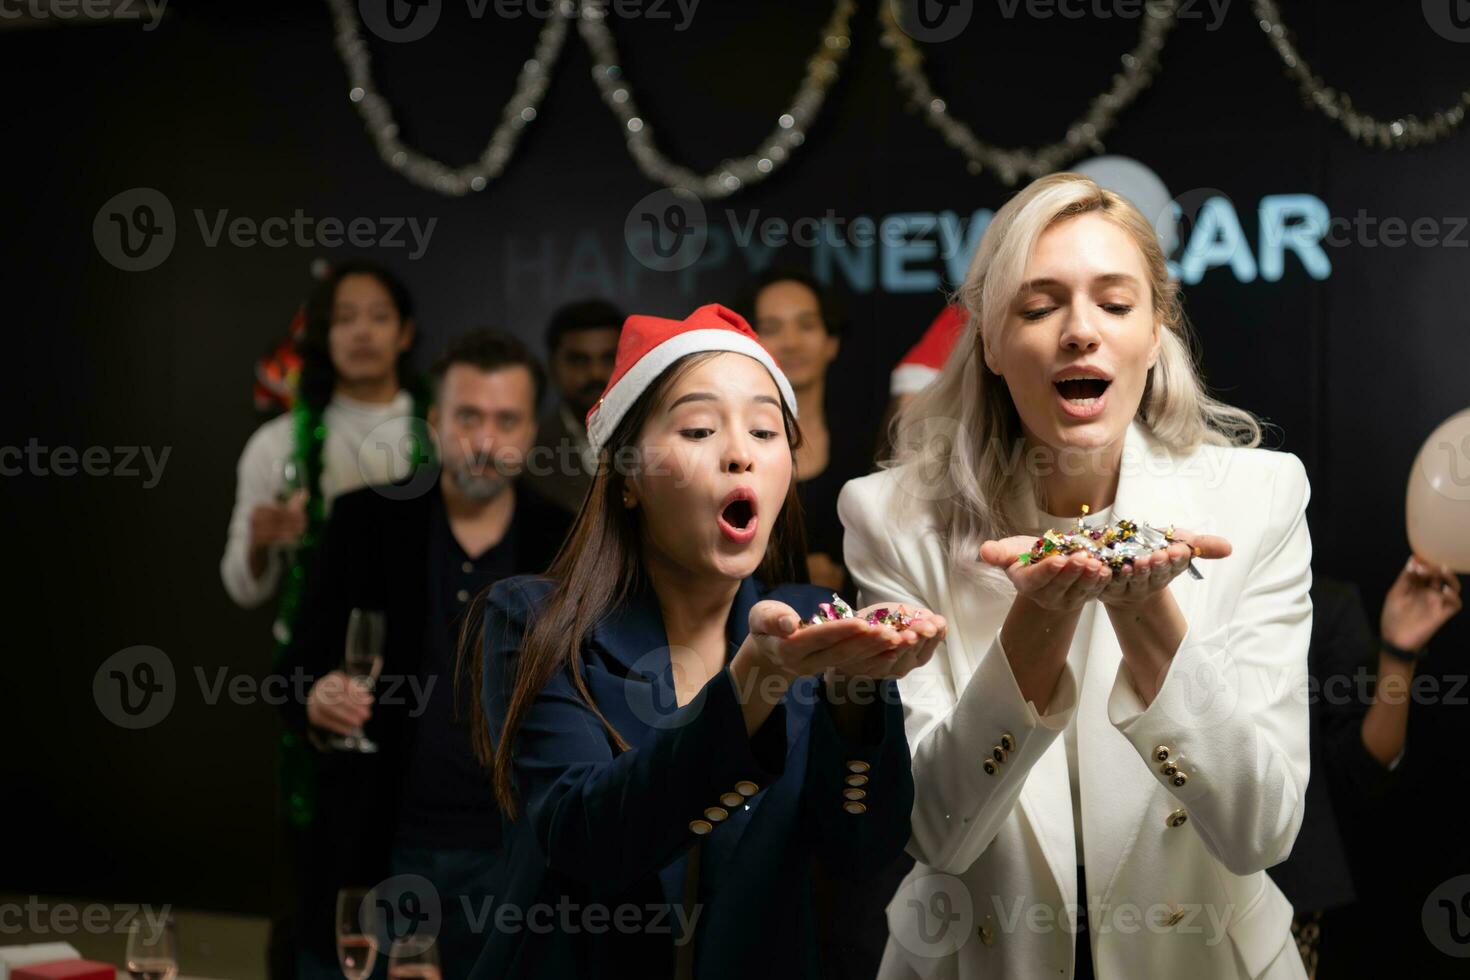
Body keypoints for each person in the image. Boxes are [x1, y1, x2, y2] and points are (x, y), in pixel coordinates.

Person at [840, 172, 1312, 979]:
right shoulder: (892, 519)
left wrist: (1148, 614)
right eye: (1038, 306)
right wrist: (1039, 623)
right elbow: (938, 834)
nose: (1079, 332)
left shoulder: (1259, 498)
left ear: (1157, 330)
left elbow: (1260, 832)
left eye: (1116, 304)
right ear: (989, 340)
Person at [462, 304, 944, 979]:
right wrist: (755, 682)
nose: (740, 452)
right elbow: (582, 845)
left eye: (766, 430)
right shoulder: (533, 623)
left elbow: (861, 852)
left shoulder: (818, 625)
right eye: (697, 427)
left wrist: (857, 693)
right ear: (627, 474)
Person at [276, 330, 571, 978]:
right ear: (435, 421)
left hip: (510, 860)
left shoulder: (565, 545)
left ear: (530, 430)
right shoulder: (365, 521)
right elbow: (291, 672)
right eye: (468, 417)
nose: (486, 442)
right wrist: (313, 696)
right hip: (378, 848)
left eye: (506, 420)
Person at [1268, 558, 1461, 977]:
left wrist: (1399, 653)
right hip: (1158, 875)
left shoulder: (1319, 601)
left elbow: (1364, 768)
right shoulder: (1150, 591)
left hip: (1285, 890)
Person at [221, 260, 424, 617]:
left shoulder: (442, 432)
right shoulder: (275, 443)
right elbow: (242, 589)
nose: (362, 332)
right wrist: (258, 545)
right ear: (322, 333)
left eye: (378, 317)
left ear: (405, 333)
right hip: (315, 650)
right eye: (344, 318)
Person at [741, 269, 864, 592]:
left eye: (807, 325)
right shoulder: (731, 450)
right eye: (771, 328)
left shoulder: (870, 444)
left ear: (831, 342)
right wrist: (790, 574)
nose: (791, 343)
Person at [524, 298, 624, 514]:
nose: (595, 373)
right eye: (579, 360)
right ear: (553, 366)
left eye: (608, 359)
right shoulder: (526, 451)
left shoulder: (655, 442)